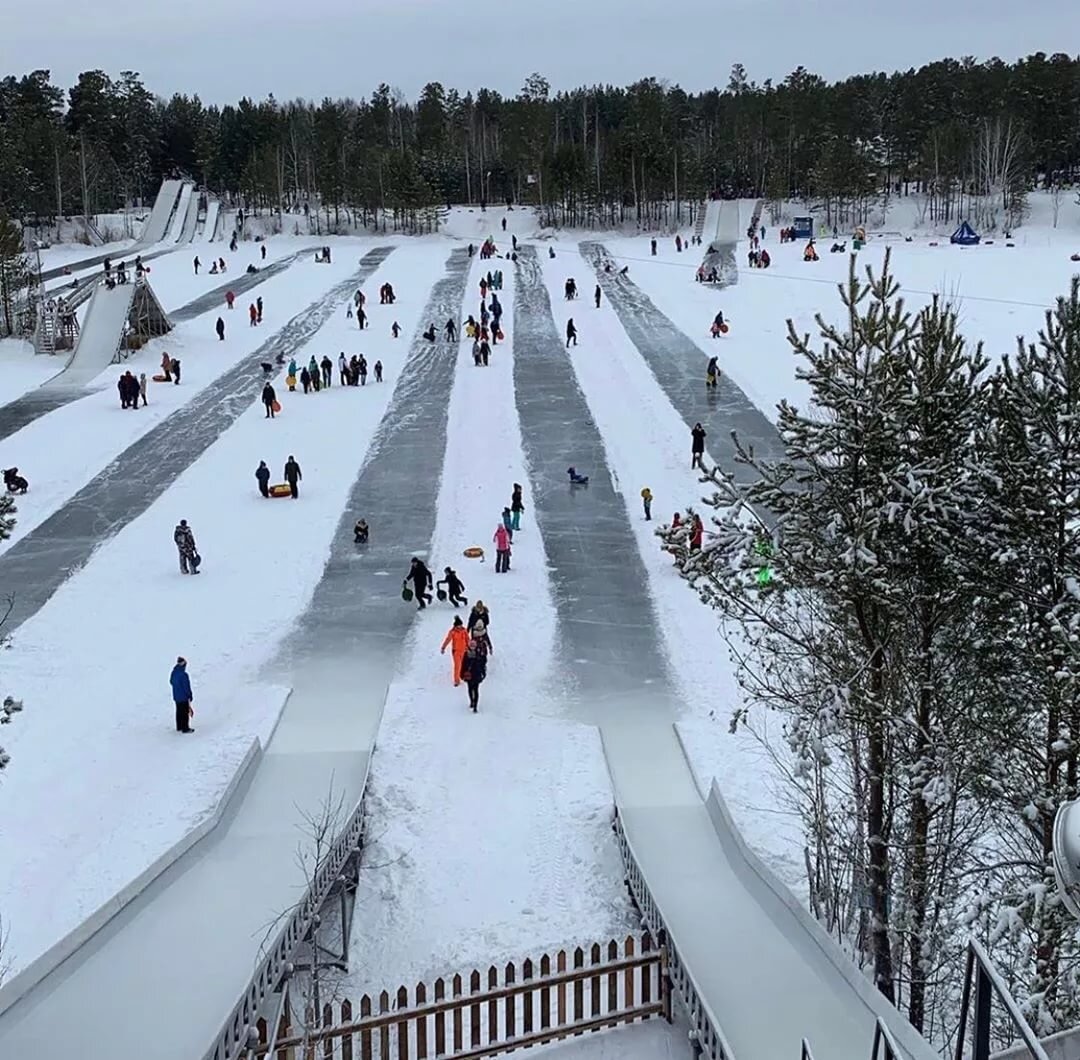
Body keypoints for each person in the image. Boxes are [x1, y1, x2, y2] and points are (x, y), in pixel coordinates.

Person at [440, 616, 470, 686]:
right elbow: (448, 640)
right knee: (457, 666)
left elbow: (467, 639)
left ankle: (463, 676)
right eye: (459, 625)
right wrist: (443, 647)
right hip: (456, 651)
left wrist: (469, 647)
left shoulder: (464, 630)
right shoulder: (452, 632)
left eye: (461, 625)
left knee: (464, 665)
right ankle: (457, 680)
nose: (460, 626)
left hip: (464, 650)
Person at [460, 638, 487, 713]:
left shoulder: (479, 653)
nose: (472, 646)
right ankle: (472, 701)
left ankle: (475, 705)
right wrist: (461, 674)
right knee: (470, 689)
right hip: (469, 674)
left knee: (476, 690)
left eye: (473, 645)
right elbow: (463, 665)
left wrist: (483, 673)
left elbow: (483, 664)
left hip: (477, 674)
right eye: (471, 645)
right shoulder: (466, 654)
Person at [170, 656, 195, 733]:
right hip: (183, 697)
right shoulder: (184, 675)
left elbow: (171, 682)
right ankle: (185, 728)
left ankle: (179, 726)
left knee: (179, 711)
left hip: (176, 696)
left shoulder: (174, 672)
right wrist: (189, 695)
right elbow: (186, 687)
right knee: (184, 713)